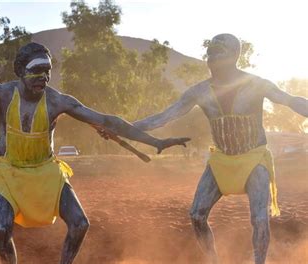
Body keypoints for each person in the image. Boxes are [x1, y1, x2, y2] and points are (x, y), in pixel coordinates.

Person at [0, 42, 190, 264]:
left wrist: (155, 142)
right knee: (2, 230)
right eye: (35, 71)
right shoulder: (1, 93)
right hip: (10, 174)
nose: (42, 78)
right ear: (20, 72)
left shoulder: (58, 102)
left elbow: (108, 121)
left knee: (80, 224)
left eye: (47, 72)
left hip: (47, 174)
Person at [132, 34, 308, 264]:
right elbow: (165, 116)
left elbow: (290, 100)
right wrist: (125, 128)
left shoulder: (256, 84)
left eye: (219, 52)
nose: (212, 57)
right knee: (196, 215)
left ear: (235, 56)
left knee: (259, 219)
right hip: (221, 162)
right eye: (210, 52)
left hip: (253, 160)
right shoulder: (199, 91)